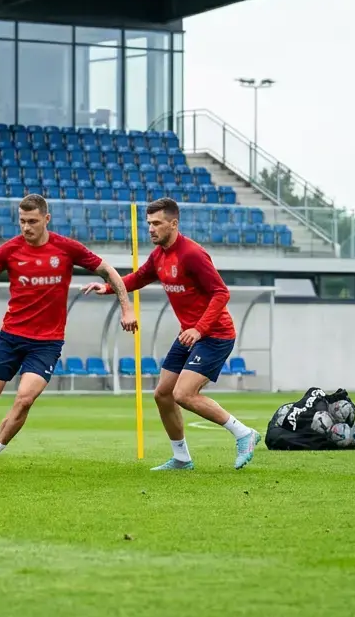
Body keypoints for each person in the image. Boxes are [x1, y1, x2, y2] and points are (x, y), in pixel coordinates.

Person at [0, 194, 135, 476]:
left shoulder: (66, 248)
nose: (26, 227)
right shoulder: (9, 250)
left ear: (46, 219)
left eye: (32, 221)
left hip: (47, 343)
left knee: (25, 399)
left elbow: (107, 271)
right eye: (22, 221)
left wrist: (126, 309)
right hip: (10, 338)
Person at [81, 197, 259, 471]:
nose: (150, 229)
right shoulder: (159, 255)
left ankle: (243, 434)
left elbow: (221, 293)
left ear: (174, 224)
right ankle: (182, 458)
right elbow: (137, 278)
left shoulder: (192, 254)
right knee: (162, 393)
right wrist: (106, 288)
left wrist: (199, 329)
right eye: (148, 224)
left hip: (215, 334)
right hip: (188, 335)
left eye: (156, 223)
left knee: (184, 394)